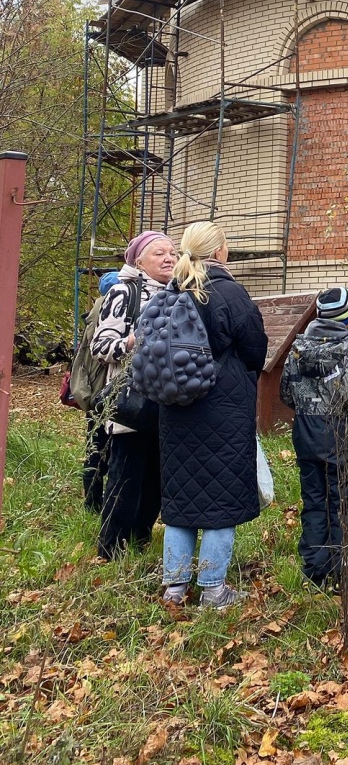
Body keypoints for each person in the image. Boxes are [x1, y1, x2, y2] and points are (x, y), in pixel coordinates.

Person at [159, 221, 268, 609]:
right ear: (220, 251)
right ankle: (213, 589)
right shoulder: (229, 293)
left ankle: (174, 589)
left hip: (174, 410)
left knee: (181, 502)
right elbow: (257, 351)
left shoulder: (172, 291)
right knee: (221, 503)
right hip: (223, 409)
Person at [91, 232, 176, 559]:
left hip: (165, 403)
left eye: (172, 252)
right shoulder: (123, 292)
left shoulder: (177, 293)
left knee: (155, 480)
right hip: (131, 403)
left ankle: (139, 542)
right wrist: (132, 342)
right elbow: (101, 346)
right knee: (125, 479)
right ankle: (110, 549)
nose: (168, 258)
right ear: (138, 260)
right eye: (159, 253)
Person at [280, 286, 348, 589]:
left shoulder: (298, 347)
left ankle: (315, 568)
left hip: (305, 431)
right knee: (342, 503)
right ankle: (343, 571)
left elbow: (286, 392)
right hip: (340, 433)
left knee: (313, 500)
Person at [81, 269, 120, 513]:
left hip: (96, 391)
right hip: (105, 392)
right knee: (103, 449)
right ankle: (98, 505)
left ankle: (92, 503)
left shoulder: (94, 313)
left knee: (95, 449)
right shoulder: (106, 313)